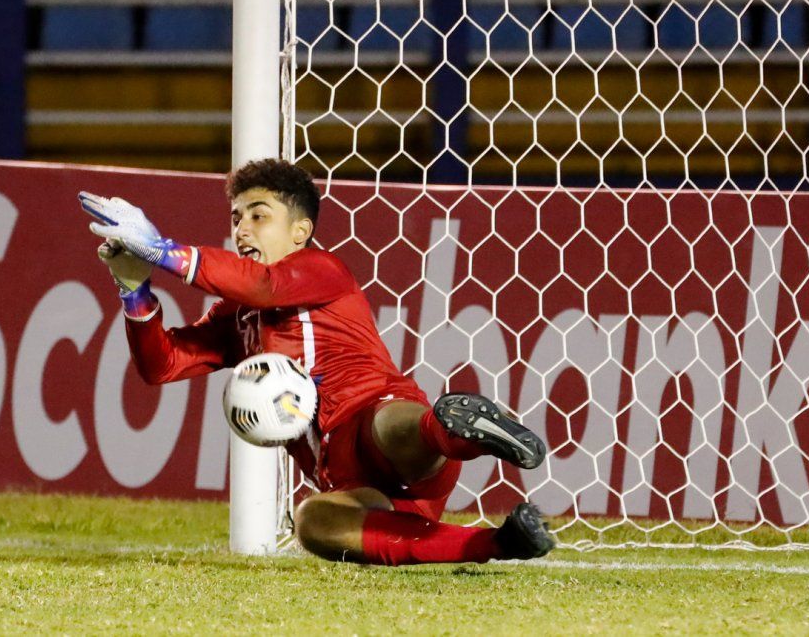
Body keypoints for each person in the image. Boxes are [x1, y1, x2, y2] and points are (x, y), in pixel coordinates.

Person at [78, 158, 554, 566]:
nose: (242, 228)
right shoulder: (236, 318)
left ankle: (459, 430)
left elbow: (261, 284)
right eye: (237, 216)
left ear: (301, 231)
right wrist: (134, 290)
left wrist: (162, 252)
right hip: (348, 481)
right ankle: (500, 541)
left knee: (389, 425)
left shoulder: (322, 269)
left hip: (378, 420)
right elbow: (161, 365)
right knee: (312, 522)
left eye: (259, 216)